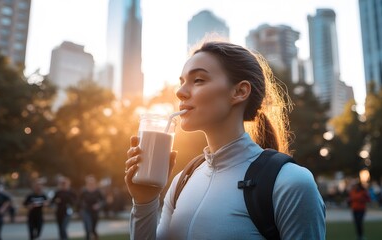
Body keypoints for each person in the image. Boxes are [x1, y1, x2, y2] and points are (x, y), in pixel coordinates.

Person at [125, 41, 326, 239]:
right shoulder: (181, 182)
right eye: (182, 82)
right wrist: (144, 201)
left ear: (239, 92)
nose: (180, 92)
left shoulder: (291, 183)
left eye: (198, 80)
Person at [77, 175, 104, 240]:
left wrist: (98, 205)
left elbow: (103, 200)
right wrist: (81, 208)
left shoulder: (97, 191)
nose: (91, 183)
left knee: (93, 229)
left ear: (94, 182)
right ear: (87, 182)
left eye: (92, 182)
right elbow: (79, 201)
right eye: (89, 182)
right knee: (88, 229)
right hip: (86, 211)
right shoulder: (84, 191)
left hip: (95, 212)